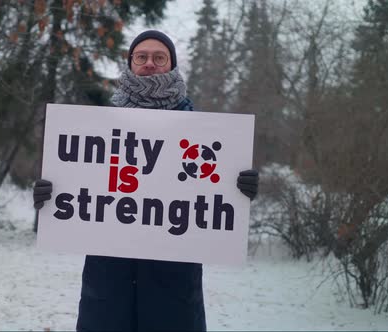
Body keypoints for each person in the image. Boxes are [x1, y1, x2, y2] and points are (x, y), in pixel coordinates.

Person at [33, 30, 259, 331]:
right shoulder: (99, 126)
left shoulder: (200, 129)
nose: (149, 63)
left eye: (159, 57)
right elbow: (79, 188)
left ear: (172, 65)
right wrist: (50, 192)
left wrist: (239, 186)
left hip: (174, 284)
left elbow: (211, 198)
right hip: (108, 282)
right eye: (141, 57)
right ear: (130, 64)